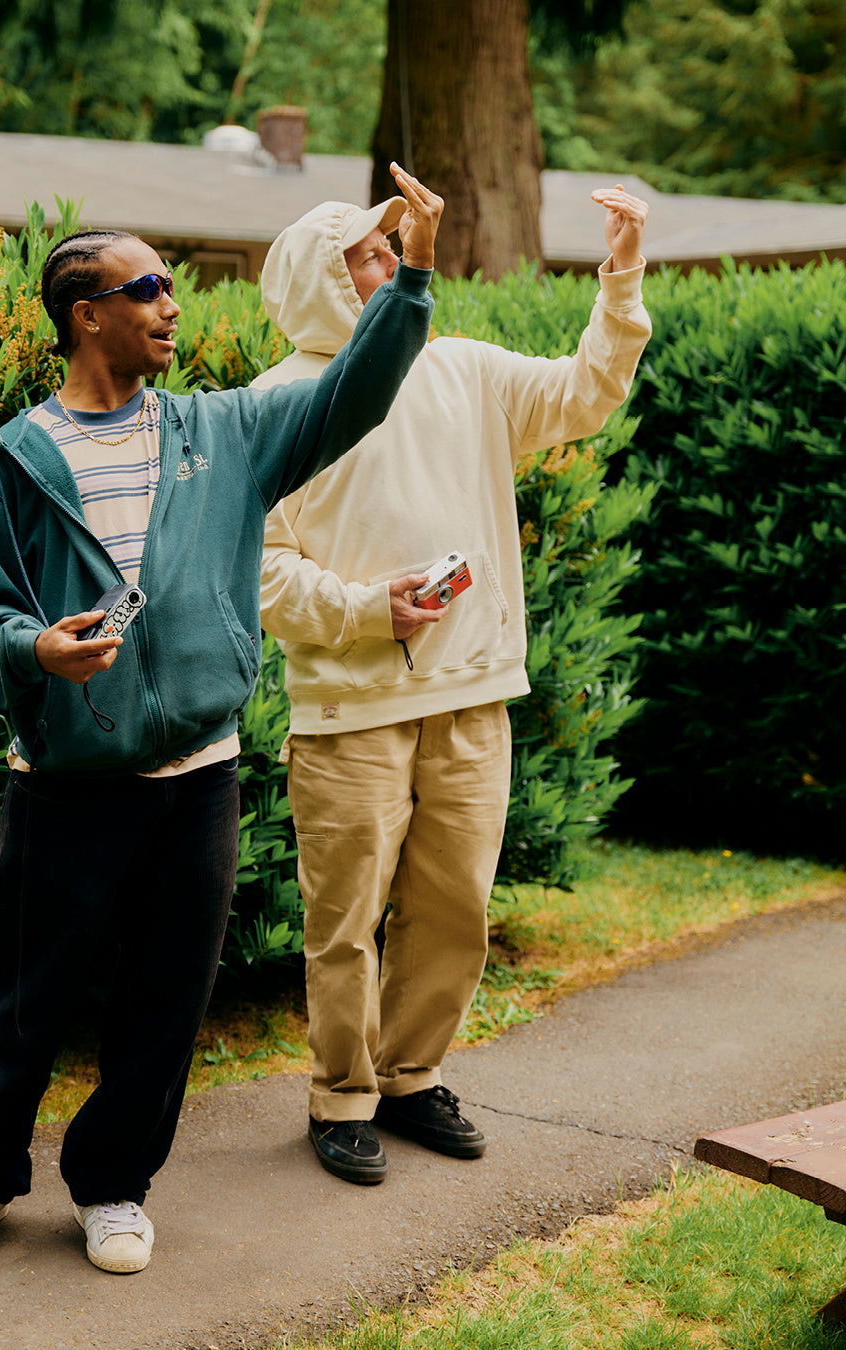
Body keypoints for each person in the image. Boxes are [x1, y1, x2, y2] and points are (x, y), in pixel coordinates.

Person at [0, 164, 443, 1272]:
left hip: (198, 775)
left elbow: (357, 389)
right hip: (63, 780)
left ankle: (113, 1186)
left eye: (170, 285)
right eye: (147, 286)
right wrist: (35, 649)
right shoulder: (6, 464)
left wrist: (414, 281)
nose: (171, 304)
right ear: (85, 313)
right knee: (22, 996)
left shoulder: (227, 433)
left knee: (165, 1002)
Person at [255, 185, 652, 1185]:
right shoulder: (274, 404)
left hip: (472, 694)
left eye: (390, 257)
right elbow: (256, 567)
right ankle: (339, 1097)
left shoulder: (463, 370)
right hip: (348, 708)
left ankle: (412, 1077)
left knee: (455, 906)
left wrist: (622, 271)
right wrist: (364, 611)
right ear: (314, 280)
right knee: (342, 919)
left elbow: (584, 394)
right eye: (361, 260)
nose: (386, 271)